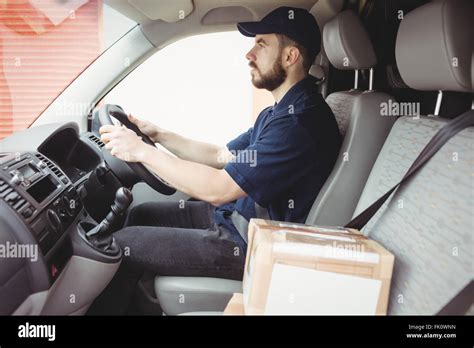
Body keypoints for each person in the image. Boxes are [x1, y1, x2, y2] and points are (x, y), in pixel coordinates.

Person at [93, 6, 342, 314]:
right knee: (142, 214)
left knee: (120, 242)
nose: (249, 54)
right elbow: (220, 156)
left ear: (290, 57)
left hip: (251, 243)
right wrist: (158, 135)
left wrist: (141, 152)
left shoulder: (299, 123)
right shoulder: (278, 111)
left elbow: (219, 189)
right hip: (235, 218)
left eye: (261, 45)